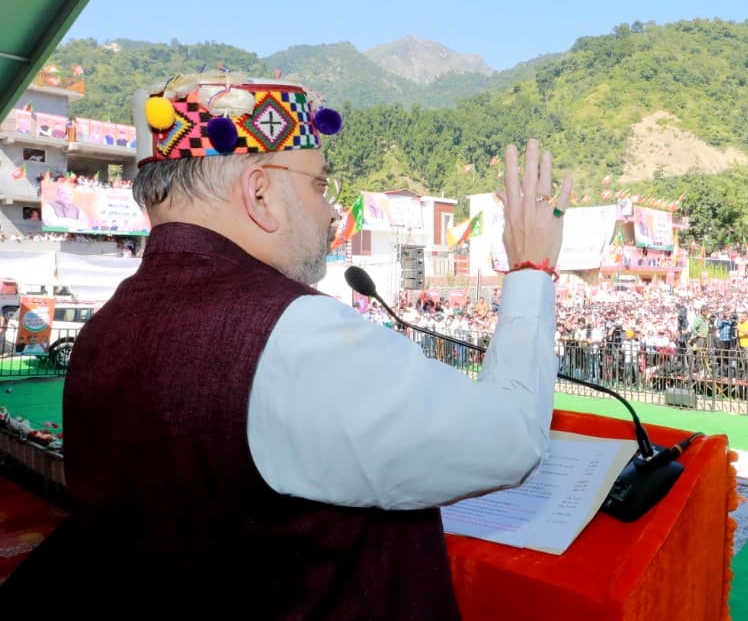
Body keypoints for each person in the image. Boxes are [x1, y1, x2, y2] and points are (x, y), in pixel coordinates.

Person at [2, 72, 574, 620]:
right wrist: (530, 267)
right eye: (320, 184)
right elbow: (513, 437)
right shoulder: (298, 334)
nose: (330, 212)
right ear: (260, 193)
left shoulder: (105, 332)